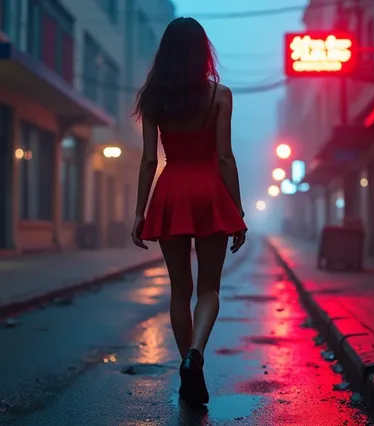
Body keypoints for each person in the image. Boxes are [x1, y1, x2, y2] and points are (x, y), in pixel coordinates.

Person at [130, 17, 247, 406]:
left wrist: (139, 213)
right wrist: (238, 211)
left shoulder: (153, 99)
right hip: (210, 191)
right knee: (210, 289)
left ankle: (185, 364)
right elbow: (226, 158)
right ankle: (197, 354)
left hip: (171, 193)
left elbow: (149, 161)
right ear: (202, 53)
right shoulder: (220, 96)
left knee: (180, 290)